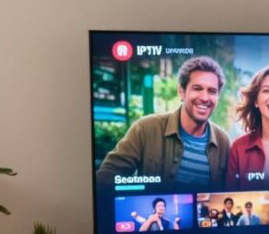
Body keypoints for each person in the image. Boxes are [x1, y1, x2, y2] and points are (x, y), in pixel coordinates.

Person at [97, 57, 230, 190]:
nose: (205, 98)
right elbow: (106, 178)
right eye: (197, 88)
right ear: (181, 92)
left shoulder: (223, 142)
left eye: (212, 91)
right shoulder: (146, 129)